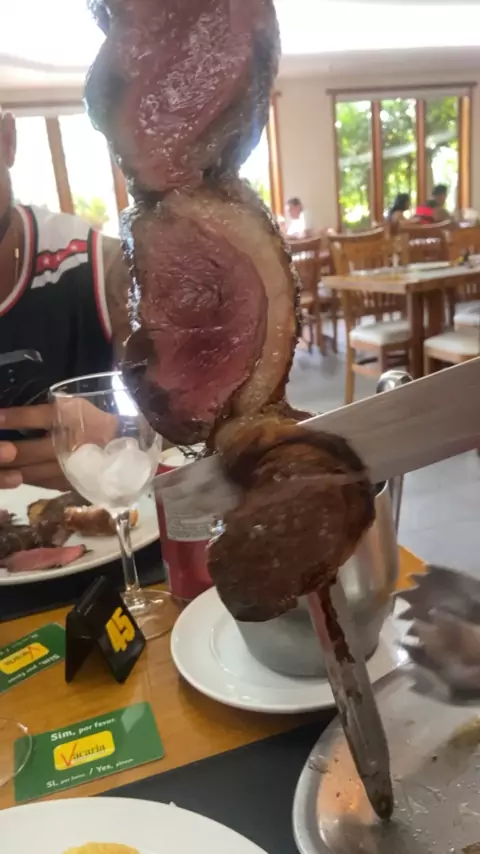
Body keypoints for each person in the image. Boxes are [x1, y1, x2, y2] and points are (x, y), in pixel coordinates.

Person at [0, 111, 130, 491]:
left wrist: (126, 441)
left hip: (100, 520)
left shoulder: (104, 269)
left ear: (6, 140)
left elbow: (204, 426)